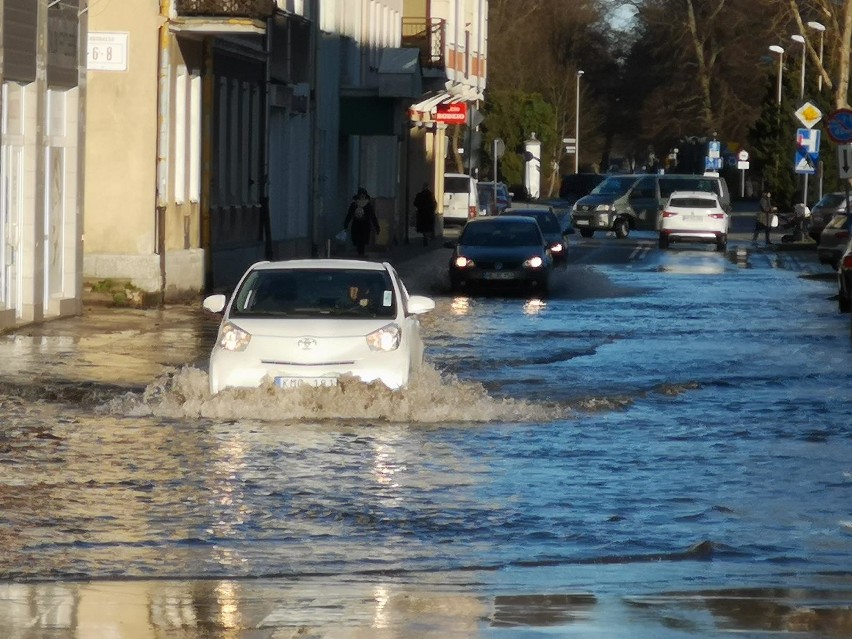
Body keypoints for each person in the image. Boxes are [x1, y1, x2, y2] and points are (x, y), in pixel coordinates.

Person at [343, 187, 380, 256]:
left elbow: (372, 216)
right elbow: (349, 215)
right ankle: (359, 251)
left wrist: (376, 226)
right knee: (357, 238)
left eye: (363, 194)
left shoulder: (368, 205)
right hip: (356, 225)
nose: (362, 196)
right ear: (359, 195)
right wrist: (346, 224)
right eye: (361, 194)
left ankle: (361, 252)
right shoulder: (354, 205)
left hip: (365, 225)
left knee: (363, 239)